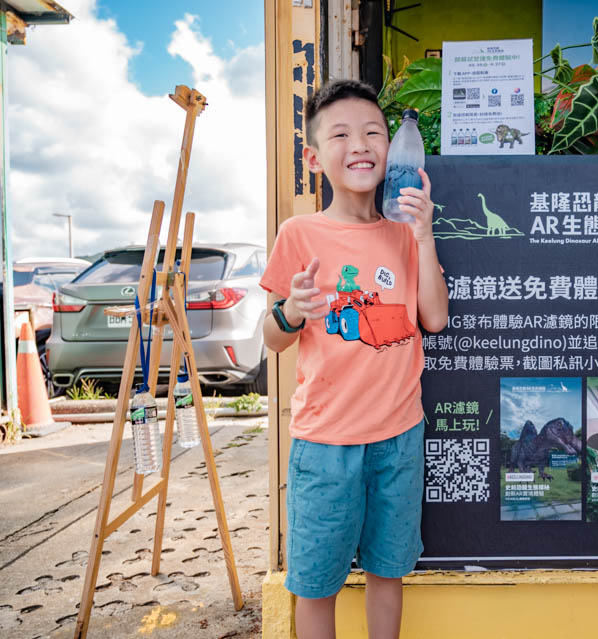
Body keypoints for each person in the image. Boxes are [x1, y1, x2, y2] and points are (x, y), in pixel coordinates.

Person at [259, 79, 448, 639]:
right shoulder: (300, 233)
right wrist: (292, 309)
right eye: (340, 134)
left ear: (394, 151)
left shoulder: (407, 234)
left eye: (373, 133)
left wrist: (426, 234)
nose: (360, 144)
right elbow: (270, 338)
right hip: (325, 443)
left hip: (399, 437)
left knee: (389, 573)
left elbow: (433, 319)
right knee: (316, 583)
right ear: (315, 157)